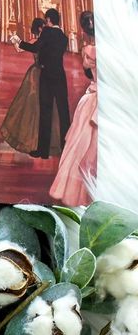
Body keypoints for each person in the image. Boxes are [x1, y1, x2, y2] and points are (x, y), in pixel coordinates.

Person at [49, 11, 97, 205]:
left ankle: (80, 198)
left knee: (82, 149)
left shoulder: (87, 50)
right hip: (100, 98)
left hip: (93, 100)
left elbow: (87, 70)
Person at [14, 8, 71, 159]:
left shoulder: (47, 32)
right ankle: (66, 148)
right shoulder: (64, 37)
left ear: (48, 20)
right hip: (59, 75)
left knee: (46, 112)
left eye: (46, 20)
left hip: (46, 75)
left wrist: (19, 42)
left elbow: (35, 48)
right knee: (63, 112)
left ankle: (43, 151)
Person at [0, 18, 61, 155]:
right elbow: (20, 49)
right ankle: (36, 140)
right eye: (44, 26)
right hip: (38, 74)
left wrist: (16, 40)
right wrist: (16, 40)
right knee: (35, 103)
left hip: (38, 73)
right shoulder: (39, 41)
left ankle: (40, 141)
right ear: (40, 28)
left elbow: (20, 49)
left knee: (36, 103)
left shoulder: (38, 41)